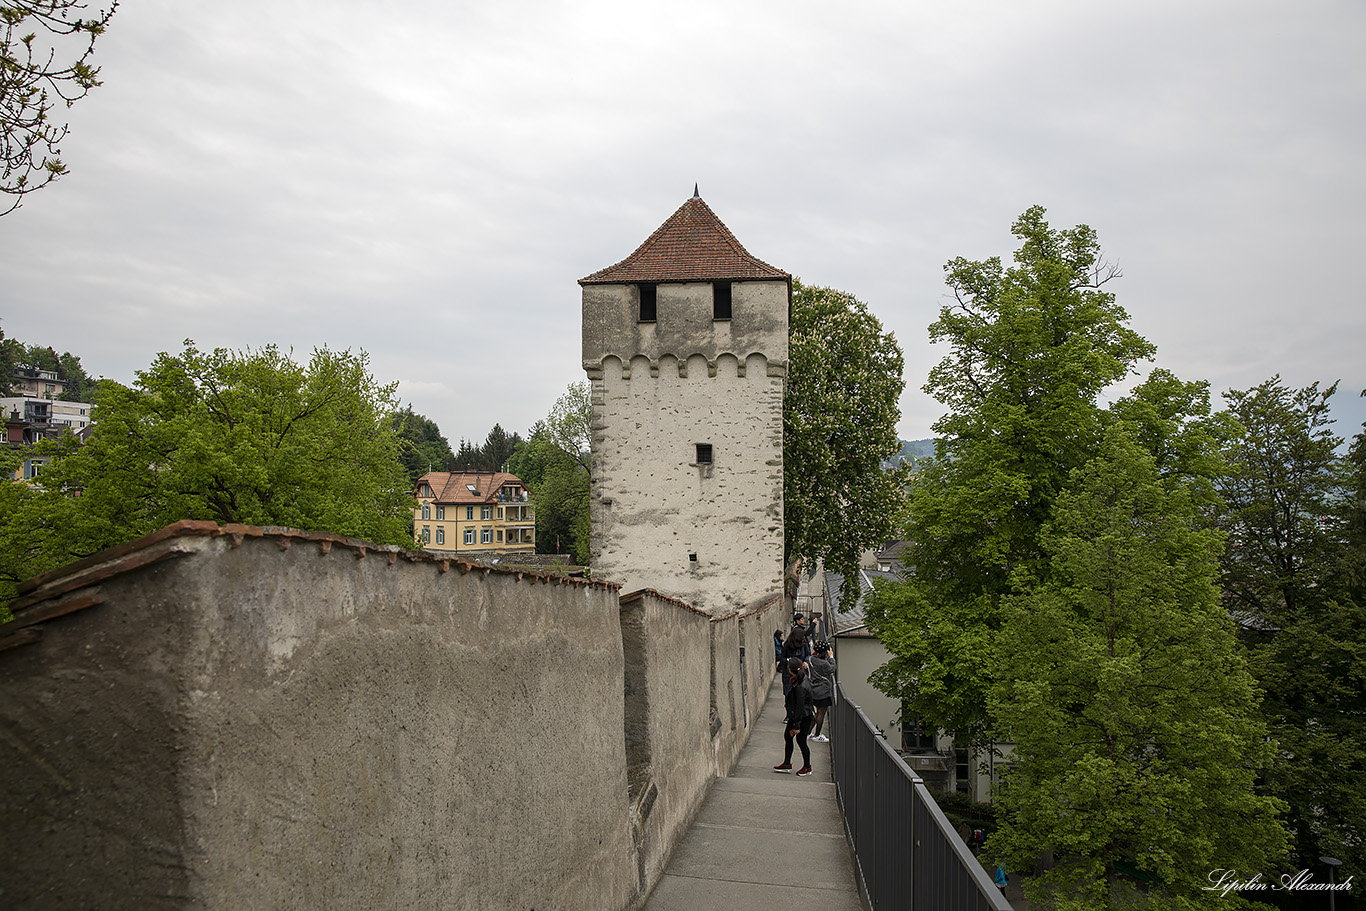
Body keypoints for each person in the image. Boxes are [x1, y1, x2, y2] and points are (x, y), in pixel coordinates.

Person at [774, 657, 814, 776]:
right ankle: (787, 763)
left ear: (791, 670)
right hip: (797, 716)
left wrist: (797, 725)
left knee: (801, 741)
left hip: (802, 717)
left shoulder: (800, 686)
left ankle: (807, 767)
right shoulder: (800, 680)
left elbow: (800, 707)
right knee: (788, 737)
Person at [807, 640, 836, 742]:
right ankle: (817, 735)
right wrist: (831, 657)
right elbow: (832, 668)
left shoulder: (811, 659)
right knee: (821, 713)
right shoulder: (824, 664)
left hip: (813, 688)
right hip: (823, 690)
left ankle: (808, 732)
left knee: (816, 712)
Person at [780, 627, 808, 694]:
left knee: (802, 692)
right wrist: (788, 660)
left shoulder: (804, 644)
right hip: (788, 673)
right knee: (789, 693)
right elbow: (781, 659)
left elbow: (808, 654)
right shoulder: (787, 646)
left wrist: (806, 661)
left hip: (801, 672)